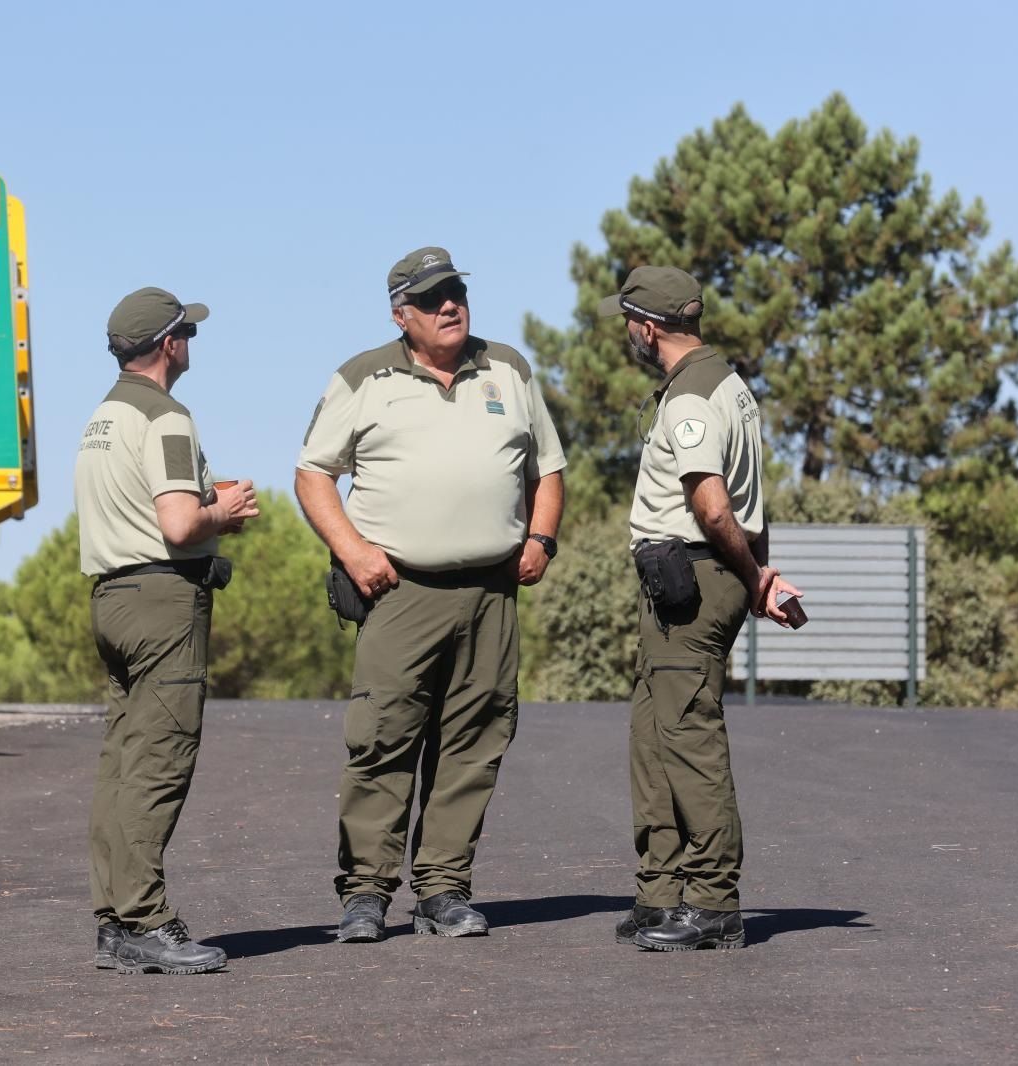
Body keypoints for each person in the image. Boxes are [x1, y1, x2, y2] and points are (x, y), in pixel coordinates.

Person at [295, 247, 566, 943]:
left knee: (475, 741)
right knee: (383, 737)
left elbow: (548, 468)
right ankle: (366, 892)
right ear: (401, 315)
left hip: (491, 592)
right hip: (400, 590)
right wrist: (353, 552)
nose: (450, 305)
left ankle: (444, 888)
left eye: (456, 293)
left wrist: (541, 539)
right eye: (431, 298)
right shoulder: (363, 376)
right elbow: (313, 474)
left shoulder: (508, 367)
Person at [597, 265, 802, 951]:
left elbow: (714, 507)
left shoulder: (690, 397)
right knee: (653, 734)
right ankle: (660, 892)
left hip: (694, 576)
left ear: (648, 327)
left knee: (688, 736)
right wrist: (760, 575)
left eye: (629, 320)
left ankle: (713, 902)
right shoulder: (729, 384)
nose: (628, 331)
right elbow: (753, 498)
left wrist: (750, 575)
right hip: (693, 578)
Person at [75, 286, 259, 974]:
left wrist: (203, 504)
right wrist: (225, 511)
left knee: (123, 763)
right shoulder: (167, 417)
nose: (191, 345)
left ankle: (114, 922)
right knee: (159, 761)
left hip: (112, 598)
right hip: (162, 603)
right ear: (169, 344)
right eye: (189, 333)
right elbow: (179, 524)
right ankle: (147, 921)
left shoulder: (102, 417)